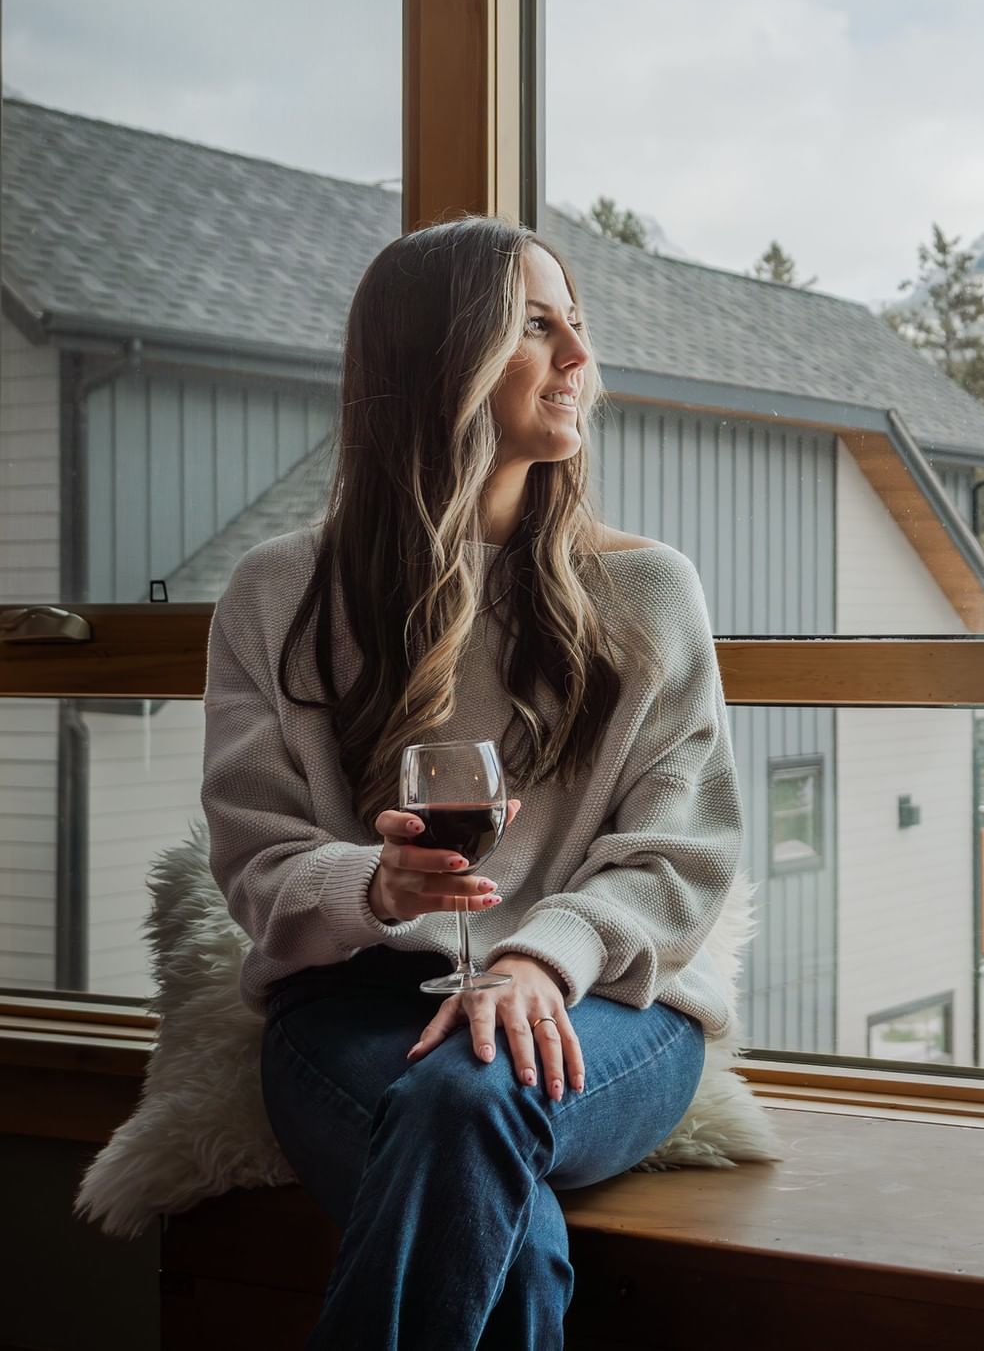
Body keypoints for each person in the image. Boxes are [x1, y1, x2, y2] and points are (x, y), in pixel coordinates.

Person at [201, 215, 744, 1349]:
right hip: (352, 1013)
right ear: (438, 358)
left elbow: (678, 854)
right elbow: (257, 860)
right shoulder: (278, 593)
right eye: (536, 328)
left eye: (577, 326)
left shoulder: (646, 594)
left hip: (602, 1010)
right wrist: (377, 886)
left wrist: (540, 961)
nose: (579, 361)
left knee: (470, 1092)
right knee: (506, 1221)